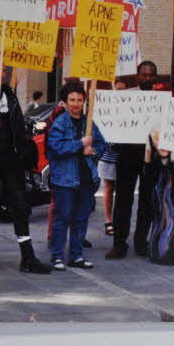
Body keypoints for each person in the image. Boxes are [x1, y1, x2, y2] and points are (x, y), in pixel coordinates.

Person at [0, 57, 52, 276]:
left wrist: (24, 150)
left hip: (12, 160)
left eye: (3, 70)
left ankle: (27, 256)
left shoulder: (11, 97)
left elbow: (18, 128)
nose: (1, 74)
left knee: (20, 206)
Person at [46, 81, 107, 270]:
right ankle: (57, 255)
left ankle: (76, 255)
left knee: (81, 218)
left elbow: (101, 144)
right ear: (65, 101)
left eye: (79, 100)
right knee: (62, 217)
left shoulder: (89, 122)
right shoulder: (60, 123)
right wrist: (79, 145)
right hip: (65, 179)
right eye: (72, 99)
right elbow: (55, 148)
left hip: (86, 178)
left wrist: (93, 152)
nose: (76, 103)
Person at [104, 59, 160, 260]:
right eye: (143, 74)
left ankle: (141, 242)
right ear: (137, 76)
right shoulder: (127, 98)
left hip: (151, 157)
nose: (147, 78)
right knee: (123, 200)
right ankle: (119, 243)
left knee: (147, 201)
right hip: (127, 155)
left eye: (150, 75)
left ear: (155, 77)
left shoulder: (161, 100)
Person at [145, 125, 174, 265]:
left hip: (172, 201)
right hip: (158, 201)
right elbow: (147, 172)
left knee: (172, 224)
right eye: (158, 142)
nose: (162, 147)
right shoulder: (154, 161)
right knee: (158, 224)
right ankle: (158, 252)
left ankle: (172, 253)